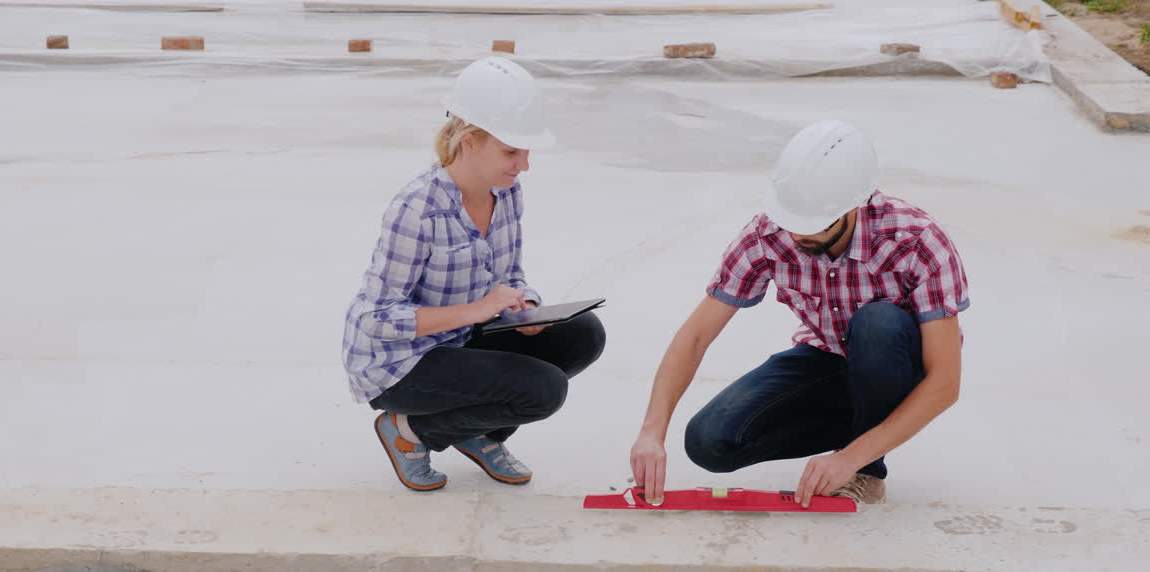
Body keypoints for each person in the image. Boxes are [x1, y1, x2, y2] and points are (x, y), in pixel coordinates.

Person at [629, 120, 969, 507]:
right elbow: (695, 336)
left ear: (853, 206)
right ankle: (866, 428)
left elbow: (945, 382)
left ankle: (867, 470)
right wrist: (652, 432)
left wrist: (852, 458)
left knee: (878, 323)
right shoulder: (767, 234)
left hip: (898, 367)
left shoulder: (916, 240)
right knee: (709, 442)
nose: (795, 236)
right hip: (826, 358)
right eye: (791, 222)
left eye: (812, 226)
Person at [342, 57, 605, 491]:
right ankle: (407, 433)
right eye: (511, 152)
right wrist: (479, 310)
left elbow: (510, 275)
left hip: (460, 339)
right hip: (400, 363)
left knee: (584, 334)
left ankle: (480, 432)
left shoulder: (506, 194)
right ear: (469, 141)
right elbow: (379, 318)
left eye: (526, 152)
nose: (524, 165)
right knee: (543, 390)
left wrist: (527, 308)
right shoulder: (416, 210)